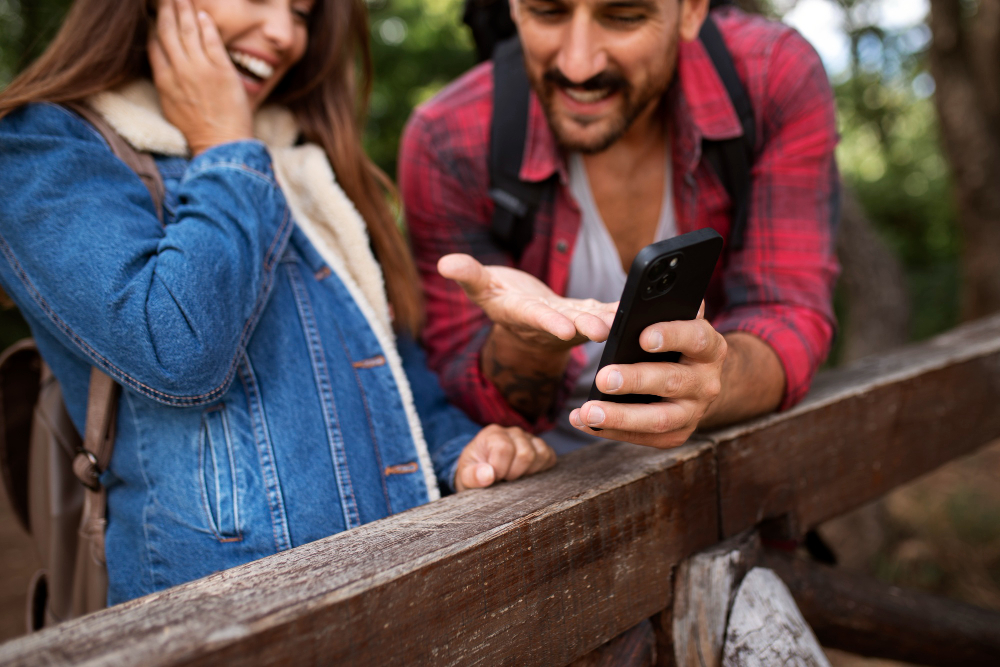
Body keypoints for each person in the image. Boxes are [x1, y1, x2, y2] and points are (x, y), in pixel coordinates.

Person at [0, 0, 555, 605]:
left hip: (407, 601)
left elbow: (393, 382)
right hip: (223, 623)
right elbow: (177, 350)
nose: (285, 34)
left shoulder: (300, 158)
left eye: (302, 13)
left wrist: (465, 448)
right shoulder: (42, 145)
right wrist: (225, 146)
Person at [399, 0, 839, 454]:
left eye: (624, 18)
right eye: (547, 12)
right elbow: (455, 403)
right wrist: (528, 346)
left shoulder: (770, 76)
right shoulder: (446, 139)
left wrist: (705, 386)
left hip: (713, 459)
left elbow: (788, 313)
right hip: (546, 480)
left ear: (691, 11)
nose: (578, 65)